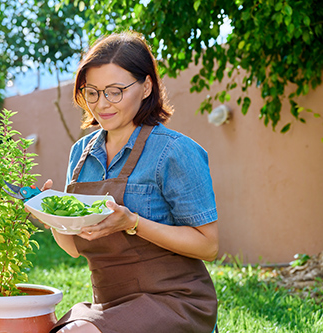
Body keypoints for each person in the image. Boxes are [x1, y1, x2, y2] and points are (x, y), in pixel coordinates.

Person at [41, 31, 219, 333]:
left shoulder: (174, 151)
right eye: (92, 92)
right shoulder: (80, 155)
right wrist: (53, 216)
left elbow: (208, 245)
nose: (102, 104)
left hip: (175, 302)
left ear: (146, 86)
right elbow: (74, 248)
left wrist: (132, 222)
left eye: (115, 91)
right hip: (108, 306)